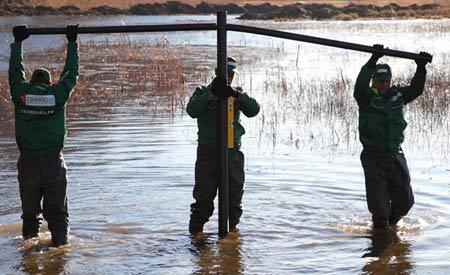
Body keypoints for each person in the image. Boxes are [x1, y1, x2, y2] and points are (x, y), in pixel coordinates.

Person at [9, 24, 79, 246]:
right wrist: (72, 42)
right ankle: (60, 251)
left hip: (28, 162)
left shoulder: (21, 94)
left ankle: (29, 253)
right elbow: (71, 74)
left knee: (30, 216)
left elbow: (14, 72)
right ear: (49, 83)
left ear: (31, 83)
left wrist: (18, 43)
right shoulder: (57, 96)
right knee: (58, 215)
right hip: (52, 162)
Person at [353, 44, 431, 229]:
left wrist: (421, 67)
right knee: (379, 207)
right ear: (374, 81)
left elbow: (416, 89)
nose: (385, 85)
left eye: (387, 81)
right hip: (374, 157)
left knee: (406, 201)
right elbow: (359, 85)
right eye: (381, 81)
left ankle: (391, 226)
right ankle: (380, 232)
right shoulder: (366, 98)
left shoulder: (398, 95)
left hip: (395, 154)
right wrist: (373, 60)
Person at [186, 57, 260, 236]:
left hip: (232, 152)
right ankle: (197, 239)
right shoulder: (203, 91)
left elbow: (254, 109)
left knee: (233, 199)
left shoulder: (237, 94)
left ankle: (231, 240)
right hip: (208, 154)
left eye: (231, 74)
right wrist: (211, 95)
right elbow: (192, 110)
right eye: (226, 74)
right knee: (203, 199)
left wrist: (236, 95)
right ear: (217, 73)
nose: (229, 77)